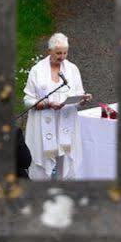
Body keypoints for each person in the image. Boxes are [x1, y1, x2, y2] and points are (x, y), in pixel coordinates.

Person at [23, 33, 92, 180]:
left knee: (65, 159)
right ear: (49, 51)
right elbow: (27, 100)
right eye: (58, 53)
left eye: (65, 53)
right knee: (43, 159)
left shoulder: (73, 70)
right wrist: (47, 104)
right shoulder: (37, 70)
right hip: (43, 124)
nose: (62, 57)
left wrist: (83, 100)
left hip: (65, 123)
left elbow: (78, 96)